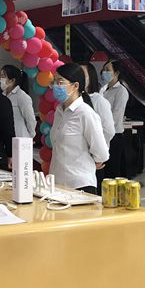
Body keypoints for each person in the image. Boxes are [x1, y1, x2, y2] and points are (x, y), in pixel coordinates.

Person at [49, 63, 109, 193]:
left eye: (60, 82)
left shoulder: (85, 113)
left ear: (75, 86)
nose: (55, 86)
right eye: (54, 82)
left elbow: (102, 152)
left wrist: (93, 163)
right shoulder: (59, 111)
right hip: (58, 183)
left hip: (80, 184)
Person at [101, 60, 129, 177]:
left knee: (112, 170)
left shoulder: (121, 91)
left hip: (114, 134)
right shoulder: (103, 89)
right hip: (102, 134)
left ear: (116, 73)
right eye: (104, 70)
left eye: (108, 70)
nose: (104, 72)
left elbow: (116, 116)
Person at [81, 63, 115, 145]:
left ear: (91, 76)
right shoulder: (72, 101)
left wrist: (93, 146)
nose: (78, 78)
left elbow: (108, 131)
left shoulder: (98, 101)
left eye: (83, 74)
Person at [1, 65, 36, 139]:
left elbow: (30, 119)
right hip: (5, 137)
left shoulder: (22, 96)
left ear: (12, 80)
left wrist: (30, 136)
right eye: (0, 76)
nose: (0, 79)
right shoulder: (2, 95)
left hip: (20, 137)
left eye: (3, 76)